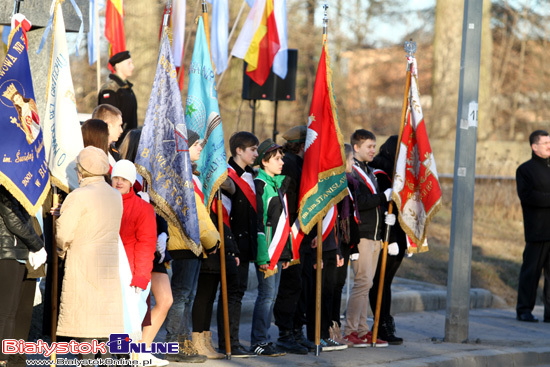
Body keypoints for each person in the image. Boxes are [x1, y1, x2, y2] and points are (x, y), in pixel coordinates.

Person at [55, 146, 124, 357]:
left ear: (82, 171)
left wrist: (60, 251)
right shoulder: (115, 195)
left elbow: (63, 234)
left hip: (82, 262)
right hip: (108, 266)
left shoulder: (78, 196)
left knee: (84, 324)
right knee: (105, 323)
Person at [164, 130, 219, 363]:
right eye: (197, 144)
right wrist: (212, 239)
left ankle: (183, 343)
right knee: (182, 295)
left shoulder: (187, 173)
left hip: (192, 243)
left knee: (187, 295)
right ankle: (175, 345)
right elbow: (196, 213)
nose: (200, 148)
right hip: (184, 242)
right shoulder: (180, 173)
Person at [119, 130, 174, 363]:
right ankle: (132, 352)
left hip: (153, 242)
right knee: (133, 306)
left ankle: (141, 349)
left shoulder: (151, 175)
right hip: (132, 246)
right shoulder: (124, 172)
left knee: (165, 300)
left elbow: (158, 210)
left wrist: (163, 232)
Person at [110, 160, 167, 365]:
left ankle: (129, 357)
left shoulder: (143, 208)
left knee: (130, 321)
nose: (118, 182)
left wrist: (141, 276)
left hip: (132, 273)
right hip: (108, 271)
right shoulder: (104, 201)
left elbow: (146, 244)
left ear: (131, 181)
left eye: (124, 179)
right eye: (116, 177)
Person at [343, 129, 393, 348]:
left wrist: (385, 214)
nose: (373, 150)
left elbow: (372, 203)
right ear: (356, 148)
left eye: (374, 146)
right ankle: (350, 330)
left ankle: (363, 330)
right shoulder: (352, 172)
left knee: (368, 283)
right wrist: (383, 197)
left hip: (375, 234)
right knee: (362, 283)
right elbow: (360, 202)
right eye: (369, 146)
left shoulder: (370, 171)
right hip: (362, 235)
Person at [216, 131, 259, 357]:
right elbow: (224, 214)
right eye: (252, 149)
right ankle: (228, 342)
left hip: (246, 245)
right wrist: (231, 247)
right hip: (232, 244)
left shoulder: (250, 175)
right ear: (239, 150)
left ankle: (232, 340)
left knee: (238, 293)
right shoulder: (227, 177)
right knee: (231, 294)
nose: (256, 154)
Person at [251, 139, 295, 357]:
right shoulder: (260, 186)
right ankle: (259, 341)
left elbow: (282, 222)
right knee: (266, 297)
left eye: (282, 158)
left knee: (272, 296)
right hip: (267, 253)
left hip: (277, 253)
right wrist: (263, 257)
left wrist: (285, 253)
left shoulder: (277, 184)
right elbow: (260, 224)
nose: (282, 162)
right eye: (277, 158)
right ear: (264, 162)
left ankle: (265, 339)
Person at [273, 126, 311, 355]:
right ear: (301, 145)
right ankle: (285, 333)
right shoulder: (288, 164)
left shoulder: (299, 163)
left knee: (301, 285)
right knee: (291, 285)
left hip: (302, 232)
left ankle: (297, 330)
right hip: (291, 232)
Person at [0, 185, 47, 366]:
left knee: (11, 312)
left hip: (17, 252)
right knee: (4, 312)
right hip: (6, 251)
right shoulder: (6, 185)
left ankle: (5, 359)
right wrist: (37, 244)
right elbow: (13, 219)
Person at [368, 136, 405, 344]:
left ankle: (384, 321)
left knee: (387, 282)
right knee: (379, 282)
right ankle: (381, 324)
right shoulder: (381, 172)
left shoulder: (397, 173)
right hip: (386, 232)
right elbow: (380, 201)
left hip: (399, 232)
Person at [516, 129, 550, 323]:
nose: (549, 146)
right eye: (545, 143)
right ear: (534, 147)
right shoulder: (525, 170)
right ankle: (523, 310)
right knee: (531, 273)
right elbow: (528, 197)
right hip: (537, 231)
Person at [330, 144, 360, 347]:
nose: (353, 164)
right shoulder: (337, 185)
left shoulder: (350, 184)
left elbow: (352, 219)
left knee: (338, 287)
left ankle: (335, 328)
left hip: (346, 245)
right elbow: (338, 219)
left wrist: (353, 246)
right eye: (350, 160)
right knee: (332, 288)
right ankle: (330, 330)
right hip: (335, 244)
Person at [98, 51, 137, 146]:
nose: (132, 66)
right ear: (118, 66)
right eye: (129, 63)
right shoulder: (110, 90)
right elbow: (108, 121)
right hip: (117, 143)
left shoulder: (128, 89)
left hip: (129, 142)